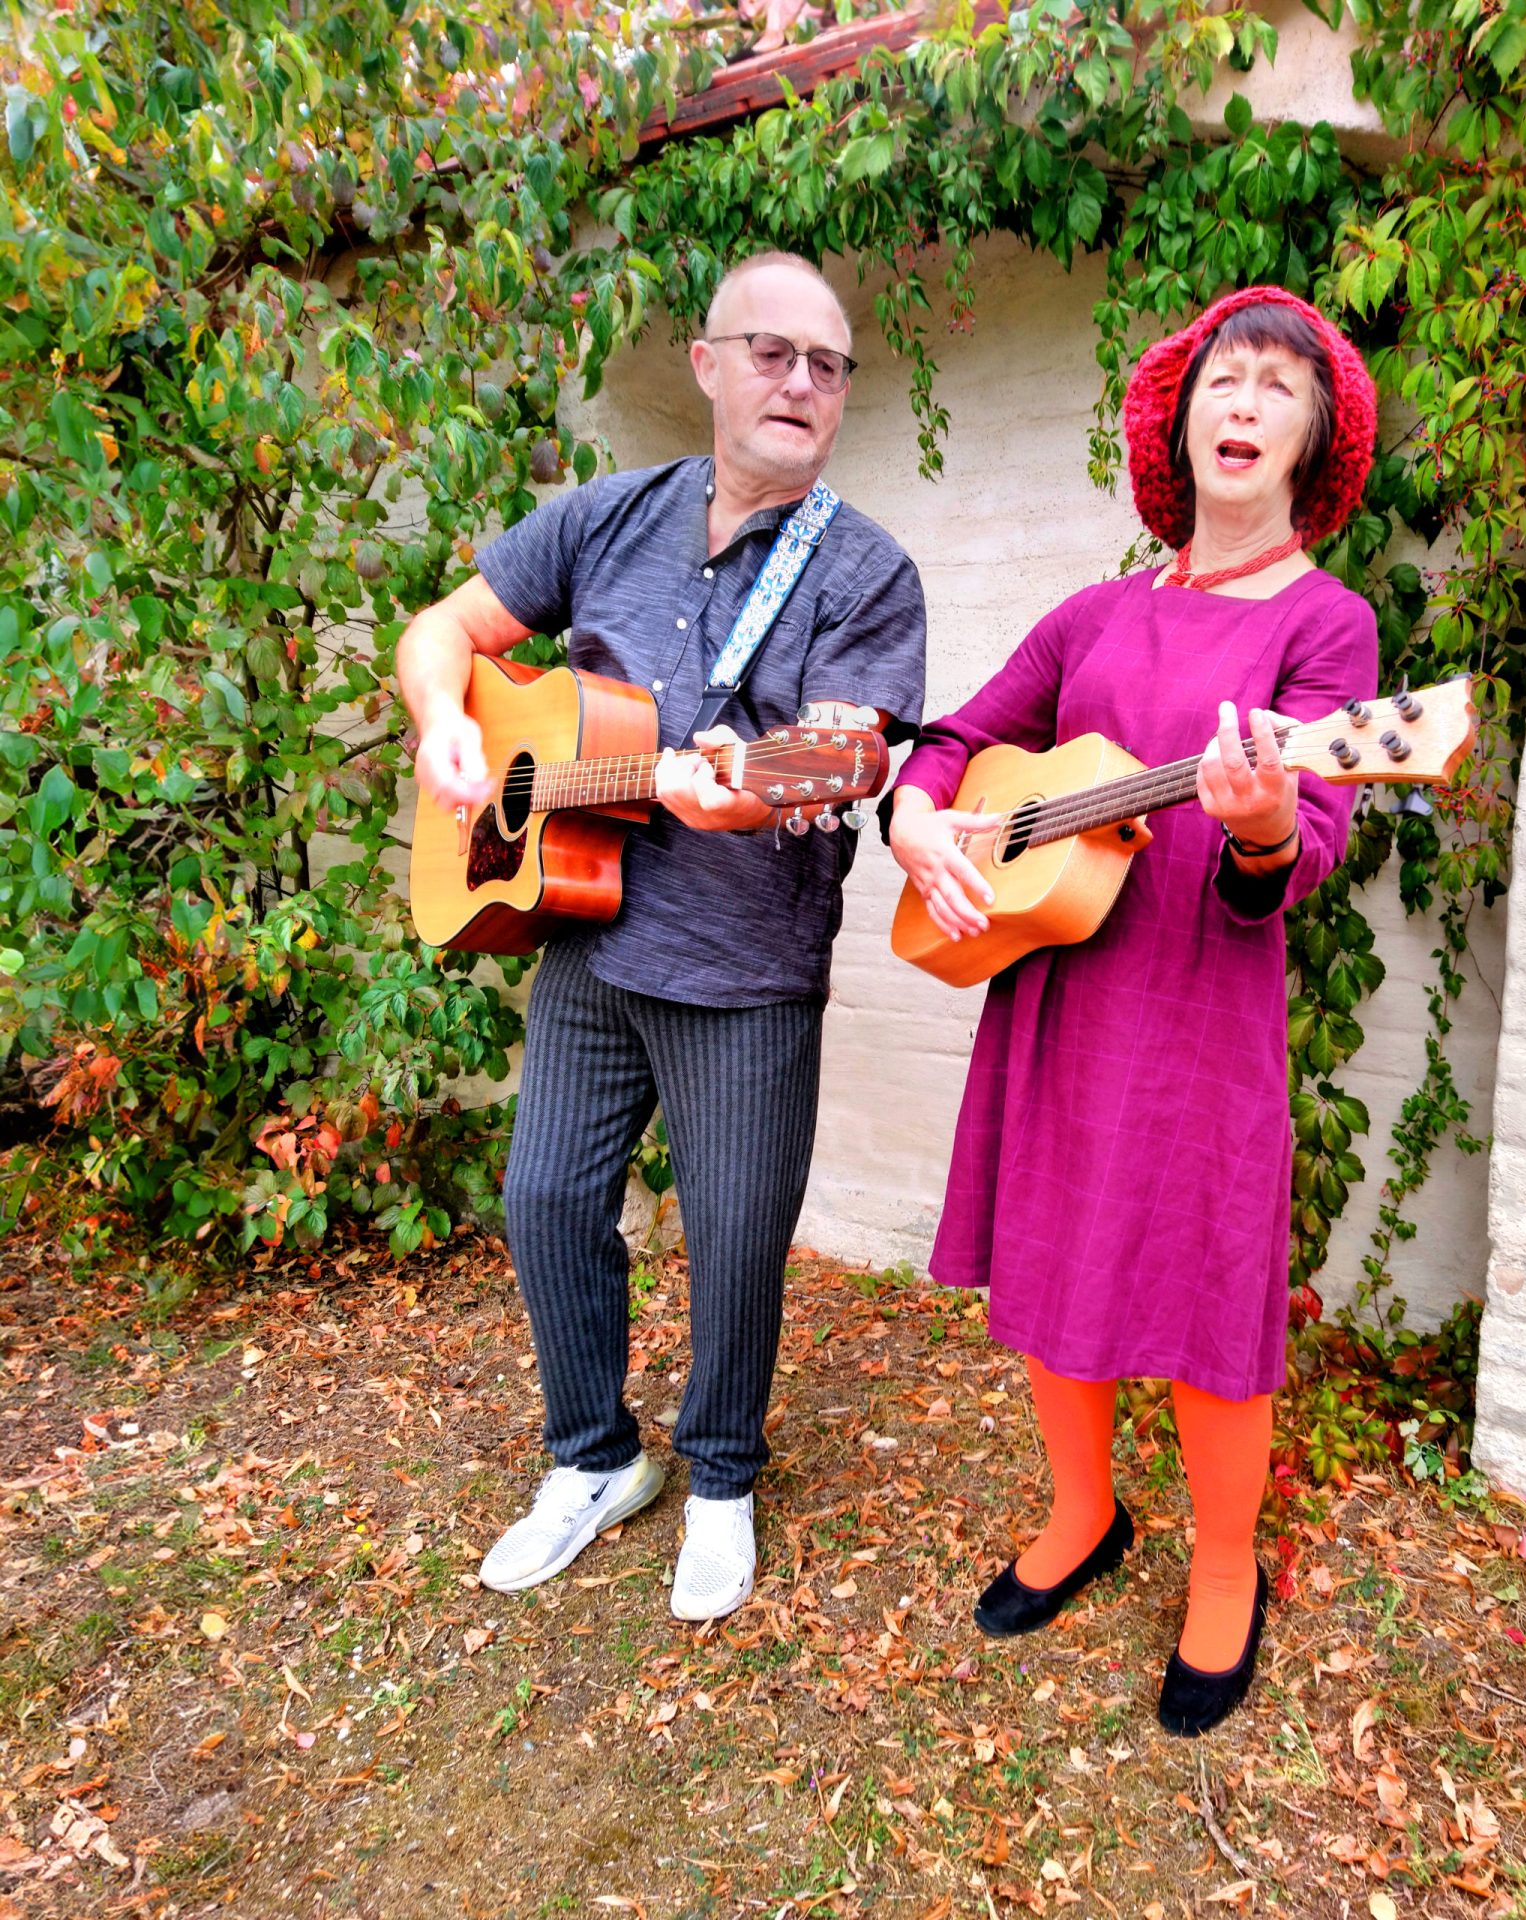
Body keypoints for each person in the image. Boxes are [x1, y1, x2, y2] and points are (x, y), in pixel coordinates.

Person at [397, 252, 926, 1621]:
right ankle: (595, 1458)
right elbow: (443, 631)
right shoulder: (606, 517)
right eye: (771, 351)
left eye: (827, 365)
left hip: (746, 972)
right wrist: (450, 723)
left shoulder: (868, 574)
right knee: (548, 1201)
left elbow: (847, 757)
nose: (799, 382)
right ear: (707, 364)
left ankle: (724, 1481)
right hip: (584, 937)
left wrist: (747, 790)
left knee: (739, 1237)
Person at [887, 285, 1378, 1734]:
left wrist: (1265, 823)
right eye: (1225, 379)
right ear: (1180, 416)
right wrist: (919, 819)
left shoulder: (1327, 628)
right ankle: (1084, 1511)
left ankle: (1224, 1568)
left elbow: (1312, 845)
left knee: (1207, 1288)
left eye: (1277, 391)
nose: (1243, 404)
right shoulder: (1093, 612)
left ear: (1312, 443)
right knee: (1054, 1258)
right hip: (1054, 998)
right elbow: (967, 737)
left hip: (1199, 1023)